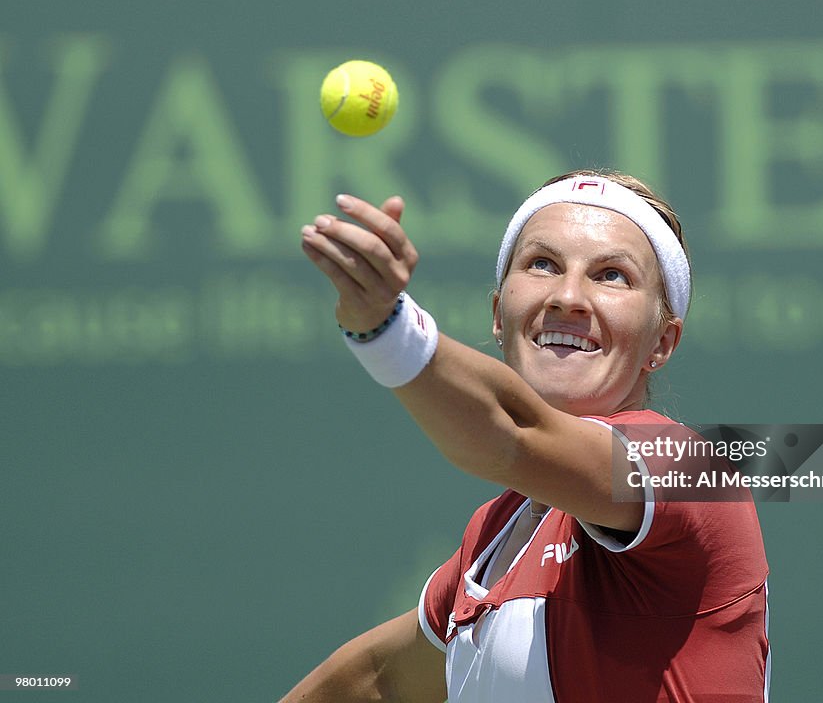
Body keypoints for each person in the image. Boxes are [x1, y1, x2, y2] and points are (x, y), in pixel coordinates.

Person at [280, 170, 770, 702]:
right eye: (543, 264)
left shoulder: (690, 470)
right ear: (498, 314)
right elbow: (378, 678)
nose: (568, 296)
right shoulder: (490, 539)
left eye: (612, 275)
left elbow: (509, 433)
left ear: (662, 342)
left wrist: (387, 329)